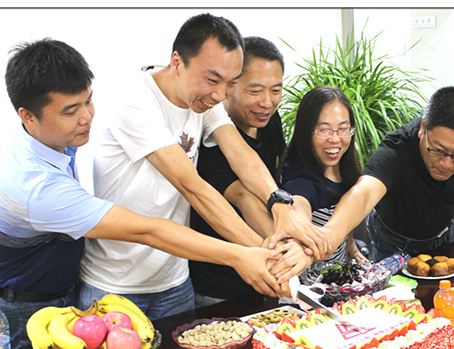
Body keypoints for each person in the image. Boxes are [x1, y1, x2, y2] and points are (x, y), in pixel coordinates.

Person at [0, 38, 291, 349]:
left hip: (112, 284)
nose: (87, 117)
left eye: (88, 101)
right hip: (25, 307)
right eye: (71, 111)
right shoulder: (38, 187)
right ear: (28, 116)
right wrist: (243, 255)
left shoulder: (51, 137)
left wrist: (278, 214)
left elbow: (241, 157)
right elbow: (149, 229)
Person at [79, 13, 324, 318]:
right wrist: (268, 256)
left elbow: (243, 156)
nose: (220, 95)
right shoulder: (134, 100)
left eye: (231, 83)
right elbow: (192, 187)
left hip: (175, 281)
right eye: (212, 80)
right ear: (177, 62)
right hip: (117, 284)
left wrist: (280, 205)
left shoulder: (205, 100)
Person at [275, 86, 454, 278]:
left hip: (449, 228)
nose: (446, 163)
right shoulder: (396, 150)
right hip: (397, 241)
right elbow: (364, 193)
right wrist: (326, 237)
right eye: (438, 150)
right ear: (423, 128)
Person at [190, 36, 289, 307]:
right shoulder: (209, 141)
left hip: (267, 273)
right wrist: (284, 250)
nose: (267, 102)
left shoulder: (270, 121)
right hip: (217, 286)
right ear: (230, 85)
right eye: (255, 91)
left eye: (276, 90)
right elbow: (244, 197)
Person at [279, 86, 364, 265]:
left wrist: (350, 244)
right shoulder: (299, 176)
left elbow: (347, 214)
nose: (335, 139)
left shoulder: (346, 165)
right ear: (305, 131)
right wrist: (299, 233)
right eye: (324, 130)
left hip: (341, 273)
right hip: (310, 279)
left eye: (343, 129)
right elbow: (299, 205)